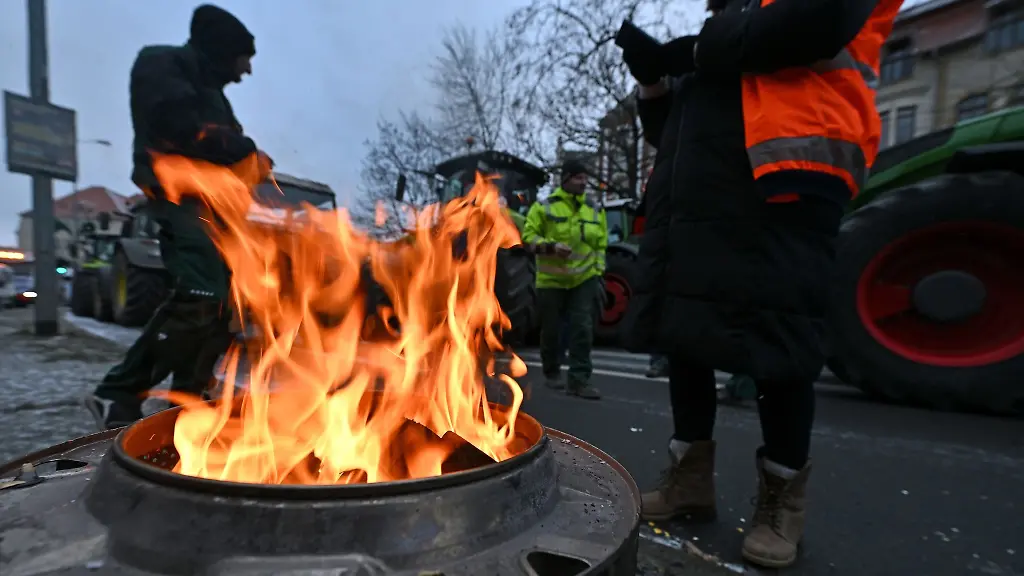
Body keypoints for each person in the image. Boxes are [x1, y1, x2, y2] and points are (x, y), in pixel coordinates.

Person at [619, 0, 899, 567]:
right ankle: (688, 482)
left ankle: (781, 498)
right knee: (687, 333)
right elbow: (675, 129)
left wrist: (694, 50)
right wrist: (653, 83)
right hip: (702, 197)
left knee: (781, 336)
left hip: (784, 183)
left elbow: (819, 20)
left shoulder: (754, 24)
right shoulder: (730, 29)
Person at [83, 4, 270, 430]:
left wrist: (251, 167)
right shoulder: (162, 64)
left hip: (218, 206)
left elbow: (227, 149)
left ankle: (188, 398)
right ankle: (116, 393)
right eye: (245, 59)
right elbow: (176, 125)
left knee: (228, 303)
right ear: (223, 50)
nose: (247, 72)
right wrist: (242, 149)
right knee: (201, 294)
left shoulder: (216, 97)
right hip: (178, 194)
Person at [523, 161, 607, 399]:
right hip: (551, 281)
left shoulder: (594, 208)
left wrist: (598, 270)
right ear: (566, 179)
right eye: (578, 178)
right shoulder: (544, 207)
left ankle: (579, 380)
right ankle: (551, 372)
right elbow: (528, 238)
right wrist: (551, 247)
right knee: (551, 329)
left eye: (585, 178)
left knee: (582, 328)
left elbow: (600, 243)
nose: (584, 182)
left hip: (584, 278)